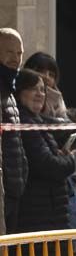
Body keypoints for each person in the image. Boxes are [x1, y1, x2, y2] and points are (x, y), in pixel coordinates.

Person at [12, 70, 75, 234]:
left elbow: (66, 128)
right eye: (34, 89)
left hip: (48, 217)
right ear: (20, 92)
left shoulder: (37, 122)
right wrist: (69, 161)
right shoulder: (26, 124)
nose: (40, 94)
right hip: (37, 218)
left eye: (42, 90)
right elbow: (48, 165)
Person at [0, 28, 29, 233]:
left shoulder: (9, 92)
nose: (15, 59)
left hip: (13, 192)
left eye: (19, 53)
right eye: (9, 52)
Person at [23, 52, 69, 120]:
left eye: (51, 75)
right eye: (41, 71)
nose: (46, 77)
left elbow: (65, 122)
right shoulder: (22, 93)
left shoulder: (57, 97)